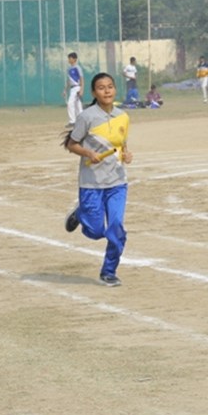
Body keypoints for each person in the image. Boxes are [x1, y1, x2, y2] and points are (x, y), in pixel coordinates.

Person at [62, 73, 132, 287]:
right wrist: (87, 153)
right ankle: (80, 213)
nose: (107, 91)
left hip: (117, 181)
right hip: (91, 183)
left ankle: (109, 271)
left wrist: (126, 154)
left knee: (116, 228)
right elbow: (71, 144)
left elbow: (121, 143)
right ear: (94, 92)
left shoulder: (123, 116)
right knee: (94, 232)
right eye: (101, 88)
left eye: (110, 86)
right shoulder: (87, 117)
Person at [64, 52, 83, 127]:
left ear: (75, 59)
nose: (69, 60)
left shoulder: (77, 68)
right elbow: (69, 81)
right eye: (68, 58)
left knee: (70, 103)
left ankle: (72, 121)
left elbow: (81, 78)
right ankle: (81, 121)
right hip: (72, 89)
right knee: (78, 105)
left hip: (77, 87)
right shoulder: (69, 69)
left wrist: (81, 89)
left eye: (70, 58)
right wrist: (65, 90)